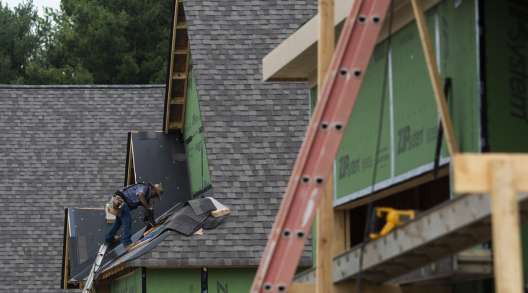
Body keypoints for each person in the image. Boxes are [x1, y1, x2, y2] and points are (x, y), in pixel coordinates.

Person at [105, 182, 163, 247]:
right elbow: (140, 196)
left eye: (156, 196)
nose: (154, 197)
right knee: (127, 220)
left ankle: (109, 238)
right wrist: (148, 207)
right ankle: (127, 243)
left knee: (118, 222)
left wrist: (154, 224)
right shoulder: (144, 188)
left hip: (121, 203)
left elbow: (148, 211)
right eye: (155, 194)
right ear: (153, 189)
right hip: (119, 200)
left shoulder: (147, 197)